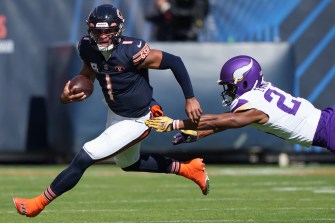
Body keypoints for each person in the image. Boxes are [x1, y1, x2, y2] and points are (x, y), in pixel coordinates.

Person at [13, 4, 209, 218]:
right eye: (98, 31)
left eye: (108, 31)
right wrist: (68, 95)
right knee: (129, 163)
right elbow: (87, 75)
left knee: (85, 155)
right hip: (116, 113)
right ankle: (190, 169)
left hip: (139, 119)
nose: (103, 36)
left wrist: (190, 98)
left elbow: (174, 61)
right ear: (90, 30)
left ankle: (37, 204)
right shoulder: (87, 48)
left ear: (118, 30)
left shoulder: (132, 50)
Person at [145, 55, 335, 153]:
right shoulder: (260, 91)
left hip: (328, 129)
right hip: (327, 122)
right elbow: (229, 121)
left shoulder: (254, 105)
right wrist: (198, 134)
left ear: (243, 82)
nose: (228, 91)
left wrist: (175, 124)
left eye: (230, 86)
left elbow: (229, 120)